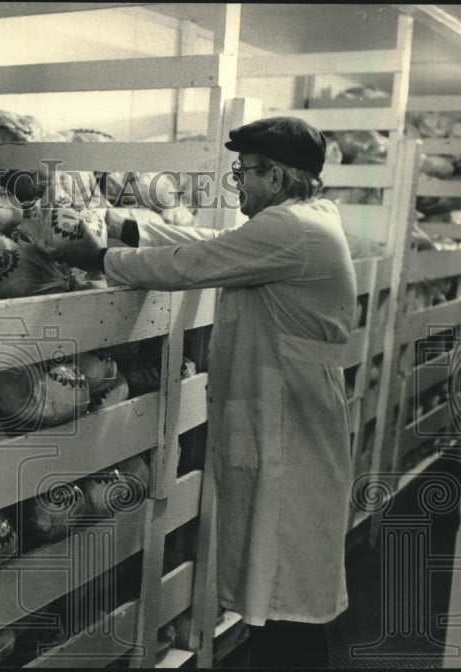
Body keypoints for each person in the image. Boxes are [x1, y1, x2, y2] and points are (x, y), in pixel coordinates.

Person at [63, 117, 357, 668]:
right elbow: (217, 245)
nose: (238, 183)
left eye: (244, 173)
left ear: (276, 175)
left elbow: (194, 263)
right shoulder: (294, 224)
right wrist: (130, 229)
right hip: (286, 419)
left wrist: (99, 258)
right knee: (277, 594)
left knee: (286, 603)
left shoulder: (293, 230)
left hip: (291, 429)